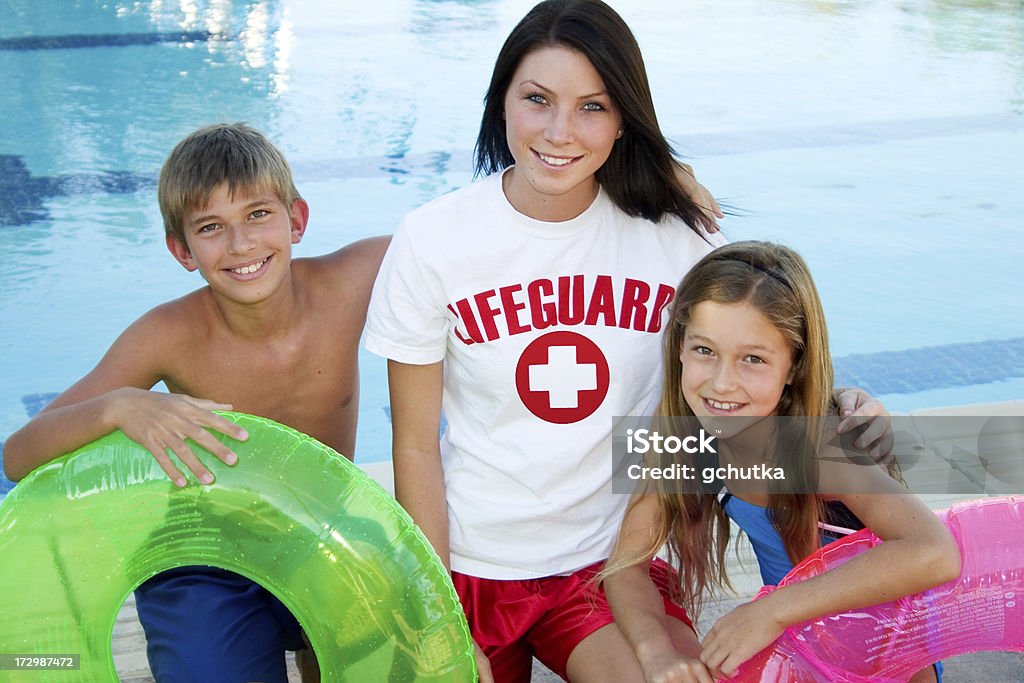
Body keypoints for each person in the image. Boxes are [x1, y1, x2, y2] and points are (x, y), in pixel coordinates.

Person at [363, 2, 887, 681]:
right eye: (537, 100)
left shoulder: (676, 239)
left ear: (624, 118)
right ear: (501, 103)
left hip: (607, 563)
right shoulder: (434, 238)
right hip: (470, 561)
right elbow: (413, 444)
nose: (560, 131)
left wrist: (837, 398)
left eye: (593, 107)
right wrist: (436, 611)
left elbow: (757, 350)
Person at [3, 123, 389, 683]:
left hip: (320, 531)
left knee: (365, 653)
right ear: (182, 249)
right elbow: (19, 455)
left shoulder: (353, 280)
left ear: (296, 220)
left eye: (259, 215)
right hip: (209, 558)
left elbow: (468, 249)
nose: (241, 245)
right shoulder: (167, 334)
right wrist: (120, 406)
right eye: (211, 228)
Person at [602, 241, 961, 683]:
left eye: (753, 359)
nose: (722, 382)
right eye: (704, 350)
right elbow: (627, 564)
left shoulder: (823, 449)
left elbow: (935, 551)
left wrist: (771, 612)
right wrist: (656, 652)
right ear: (678, 346)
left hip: (885, 661)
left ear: (794, 366)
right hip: (797, 652)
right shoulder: (690, 442)